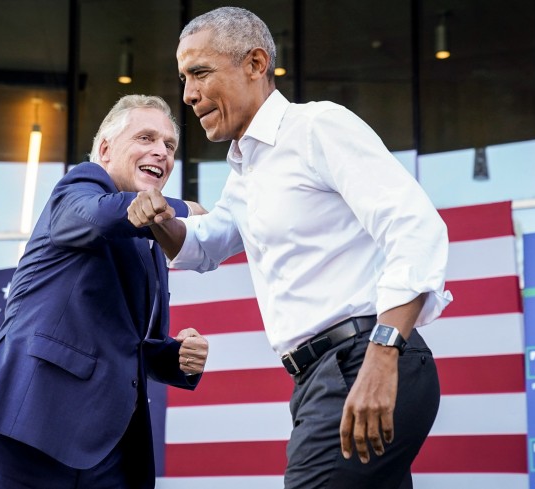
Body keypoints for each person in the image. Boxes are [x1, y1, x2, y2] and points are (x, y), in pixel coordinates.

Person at [129, 6, 453, 488]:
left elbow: (415, 227)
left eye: (199, 73)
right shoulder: (246, 169)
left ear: (256, 64)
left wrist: (382, 356)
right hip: (319, 379)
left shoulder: (317, 127)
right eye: (183, 78)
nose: (188, 94)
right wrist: (159, 219)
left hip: (366, 360)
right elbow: (205, 244)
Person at [0, 94, 209, 489]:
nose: (160, 152)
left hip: (108, 452)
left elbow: (129, 346)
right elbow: (97, 217)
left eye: (169, 145)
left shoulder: (150, 244)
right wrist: (185, 209)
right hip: (30, 429)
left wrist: (177, 356)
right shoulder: (82, 184)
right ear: (106, 149)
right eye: (146, 138)